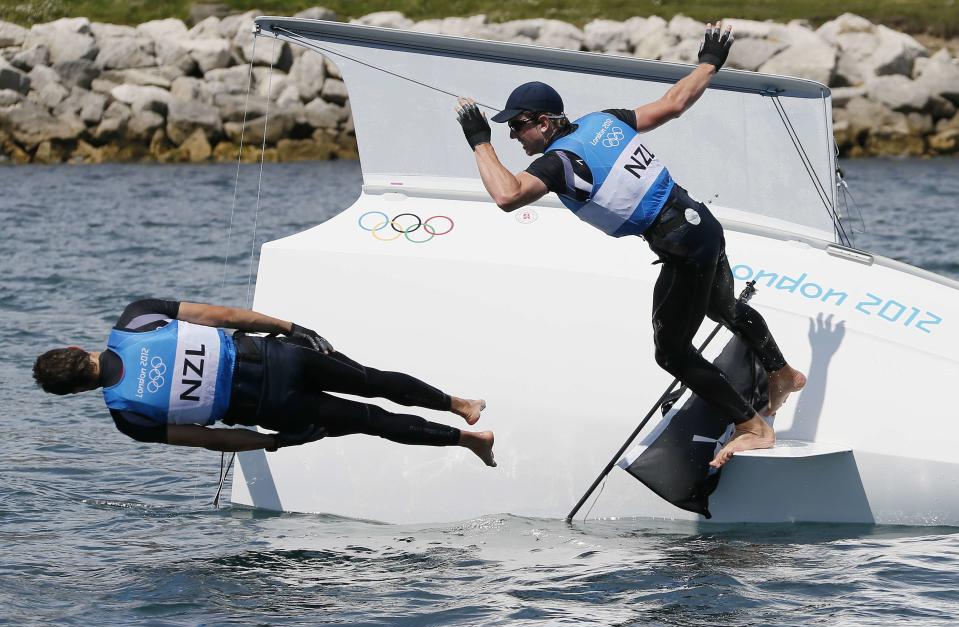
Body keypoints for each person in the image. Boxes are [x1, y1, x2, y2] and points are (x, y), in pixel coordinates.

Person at [454, 22, 804, 468]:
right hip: (703, 226)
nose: (513, 136)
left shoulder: (560, 162)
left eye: (518, 127)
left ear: (544, 123)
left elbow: (507, 195)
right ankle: (782, 372)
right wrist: (710, 62)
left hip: (681, 245)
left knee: (672, 351)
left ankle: (753, 427)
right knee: (722, 306)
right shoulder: (606, 121)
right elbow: (674, 103)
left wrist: (479, 142)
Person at [32, 299, 495, 466]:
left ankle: (468, 439)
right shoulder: (137, 318)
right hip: (281, 358)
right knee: (372, 380)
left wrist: (274, 444)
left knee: (373, 421)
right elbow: (227, 317)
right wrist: (292, 328)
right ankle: (458, 403)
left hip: (274, 410)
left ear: (76, 392)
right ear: (77, 349)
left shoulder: (129, 418)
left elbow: (210, 440)